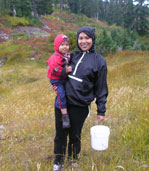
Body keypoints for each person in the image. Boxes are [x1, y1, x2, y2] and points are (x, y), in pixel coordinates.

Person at [52, 26, 108, 171]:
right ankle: (58, 161)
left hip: (80, 105)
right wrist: (55, 84)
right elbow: (57, 72)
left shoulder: (99, 61)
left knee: (75, 135)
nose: (83, 41)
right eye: (80, 38)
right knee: (60, 134)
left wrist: (101, 111)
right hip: (62, 104)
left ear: (92, 39)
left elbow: (101, 88)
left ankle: (73, 159)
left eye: (87, 38)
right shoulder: (71, 56)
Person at [47, 34, 72, 129]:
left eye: (67, 44)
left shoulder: (65, 55)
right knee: (61, 95)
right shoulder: (55, 58)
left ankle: (63, 107)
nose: (65, 47)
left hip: (62, 78)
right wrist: (65, 70)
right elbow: (54, 69)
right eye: (62, 45)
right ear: (57, 46)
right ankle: (64, 115)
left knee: (65, 93)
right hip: (57, 80)